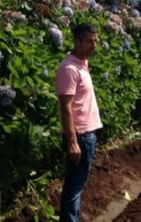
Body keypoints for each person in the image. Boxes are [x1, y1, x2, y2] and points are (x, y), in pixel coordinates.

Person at [56, 23, 102, 222]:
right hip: (80, 137)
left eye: (96, 41)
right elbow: (65, 107)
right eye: (89, 42)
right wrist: (72, 142)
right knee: (73, 188)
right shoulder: (69, 69)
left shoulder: (82, 63)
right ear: (77, 42)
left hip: (87, 135)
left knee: (77, 185)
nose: (94, 46)